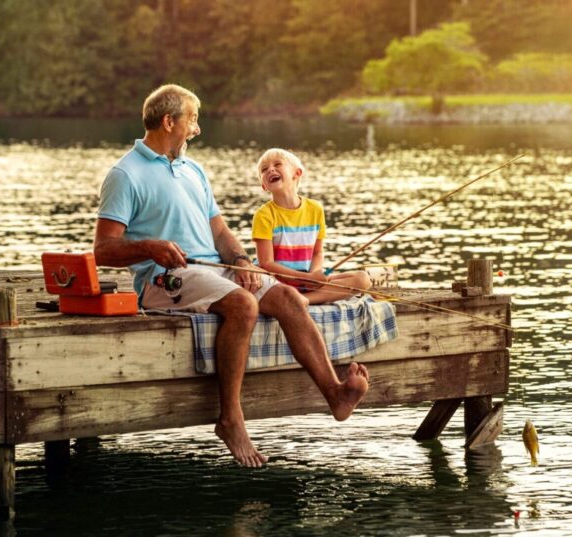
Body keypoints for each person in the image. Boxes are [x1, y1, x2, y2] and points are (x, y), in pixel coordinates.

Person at [93, 84, 369, 468]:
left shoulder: (193, 169)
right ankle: (231, 419)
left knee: (286, 297)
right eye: (192, 120)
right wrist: (150, 248)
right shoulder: (125, 174)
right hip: (165, 278)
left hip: (216, 269)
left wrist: (244, 262)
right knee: (242, 304)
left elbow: (220, 234)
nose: (197, 129)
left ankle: (336, 394)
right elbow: (103, 250)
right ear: (169, 121)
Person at [252, 148, 371, 304]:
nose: (271, 169)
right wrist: (306, 278)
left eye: (277, 164)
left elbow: (317, 252)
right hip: (275, 282)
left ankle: (304, 300)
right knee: (259, 283)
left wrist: (315, 276)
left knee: (362, 279)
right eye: (264, 169)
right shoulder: (264, 215)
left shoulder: (315, 209)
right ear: (263, 185)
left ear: (297, 173)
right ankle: (296, 298)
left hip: (306, 281)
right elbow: (266, 264)